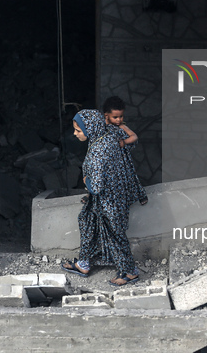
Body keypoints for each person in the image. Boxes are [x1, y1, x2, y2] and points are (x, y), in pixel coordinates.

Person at [61, 109, 140, 286]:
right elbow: (132, 140)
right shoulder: (108, 134)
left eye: (78, 130)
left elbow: (95, 186)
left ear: (91, 129)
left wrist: (85, 180)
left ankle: (129, 271)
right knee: (87, 220)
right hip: (110, 195)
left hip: (109, 200)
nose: (75, 133)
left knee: (115, 233)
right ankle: (83, 263)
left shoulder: (98, 152)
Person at [102, 96, 148, 206]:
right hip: (109, 161)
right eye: (115, 117)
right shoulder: (102, 127)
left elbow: (134, 136)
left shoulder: (121, 127)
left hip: (123, 161)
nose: (118, 120)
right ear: (106, 115)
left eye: (121, 116)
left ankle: (140, 195)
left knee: (130, 177)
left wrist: (124, 142)